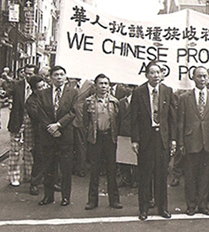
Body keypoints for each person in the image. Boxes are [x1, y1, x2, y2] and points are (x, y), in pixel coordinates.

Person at [129, 61, 177, 220]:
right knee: (145, 174)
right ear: (146, 75)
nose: (156, 75)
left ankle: (162, 207)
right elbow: (134, 118)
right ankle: (144, 208)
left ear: (162, 74)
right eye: (152, 72)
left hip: (162, 138)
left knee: (162, 175)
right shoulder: (139, 91)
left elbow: (172, 118)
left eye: (159, 72)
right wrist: (135, 140)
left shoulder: (168, 91)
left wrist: (173, 139)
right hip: (146, 138)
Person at [27, 66, 78, 207]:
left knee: (65, 168)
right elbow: (40, 113)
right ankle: (48, 196)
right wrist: (51, 127)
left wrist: (59, 125)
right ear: (50, 77)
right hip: (48, 135)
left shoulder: (73, 93)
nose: (59, 77)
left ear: (65, 77)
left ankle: (65, 197)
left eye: (62, 74)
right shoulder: (43, 94)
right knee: (49, 166)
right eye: (56, 75)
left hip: (65, 134)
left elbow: (73, 112)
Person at [177, 66, 209, 216]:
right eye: (199, 76)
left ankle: (203, 204)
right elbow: (180, 123)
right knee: (190, 175)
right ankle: (191, 204)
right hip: (191, 141)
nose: (202, 79)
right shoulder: (184, 98)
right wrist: (181, 143)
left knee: (206, 176)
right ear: (193, 78)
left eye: (204, 76)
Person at [82, 73, 122, 210]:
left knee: (112, 169)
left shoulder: (115, 102)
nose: (103, 86)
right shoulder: (88, 102)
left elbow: (118, 121)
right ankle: (92, 201)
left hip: (110, 138)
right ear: (95, 85)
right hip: (95, 138)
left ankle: (114, 200)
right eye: (101, 83)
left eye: (106, 83)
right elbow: (85, 122)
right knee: (95, 170)